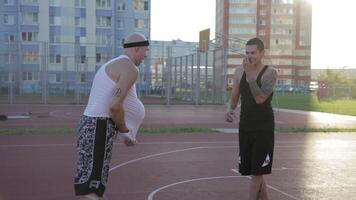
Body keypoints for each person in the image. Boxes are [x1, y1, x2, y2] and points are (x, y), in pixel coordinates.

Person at [74, 32, 149, 200]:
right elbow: (115, 106)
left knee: (91, 184)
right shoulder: (130, 68)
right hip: (98, 127)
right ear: (137, 48)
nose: (146, 55)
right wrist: (124, 131)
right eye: (146, 50)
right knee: (92, 189)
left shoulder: (116, 63)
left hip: (93, 126)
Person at [226, 38, 277, 200]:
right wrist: (230, 110)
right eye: (247, 53)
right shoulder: (239, 71)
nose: (249, 56)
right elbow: (234, 97)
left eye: (253, 53)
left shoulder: (271, 72)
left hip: (264, 127)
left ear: (262, 53)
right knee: (254, 171)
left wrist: (250, 76)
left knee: (257, 173)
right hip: (246, 125)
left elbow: (261, 98)